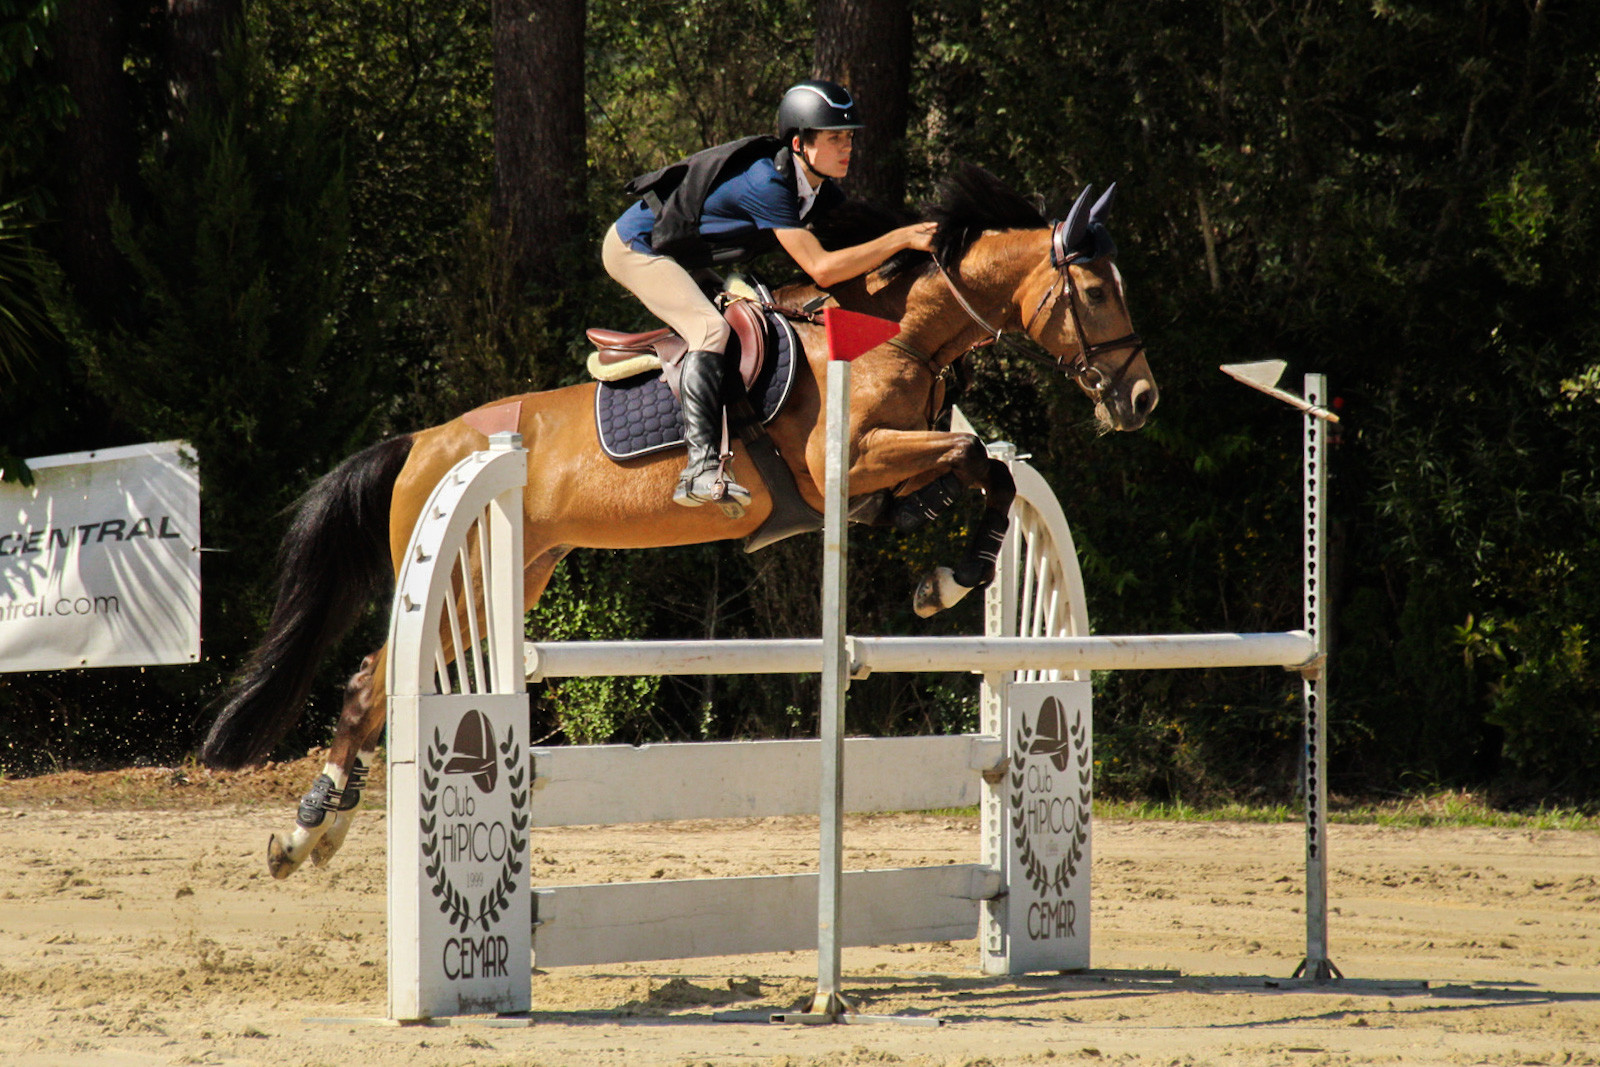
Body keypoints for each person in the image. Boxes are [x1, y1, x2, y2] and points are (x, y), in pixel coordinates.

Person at [603, 79, 937, 514]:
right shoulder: (767, 182)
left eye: (849, 137)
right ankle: (700, 470)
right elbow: (820, 267)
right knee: (709, 330)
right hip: (635, 247)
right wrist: (899, 238)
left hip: (681, 253)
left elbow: (861, 255)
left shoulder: (818, 189)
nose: (847, 147)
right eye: (835, 137)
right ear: (799, 143)